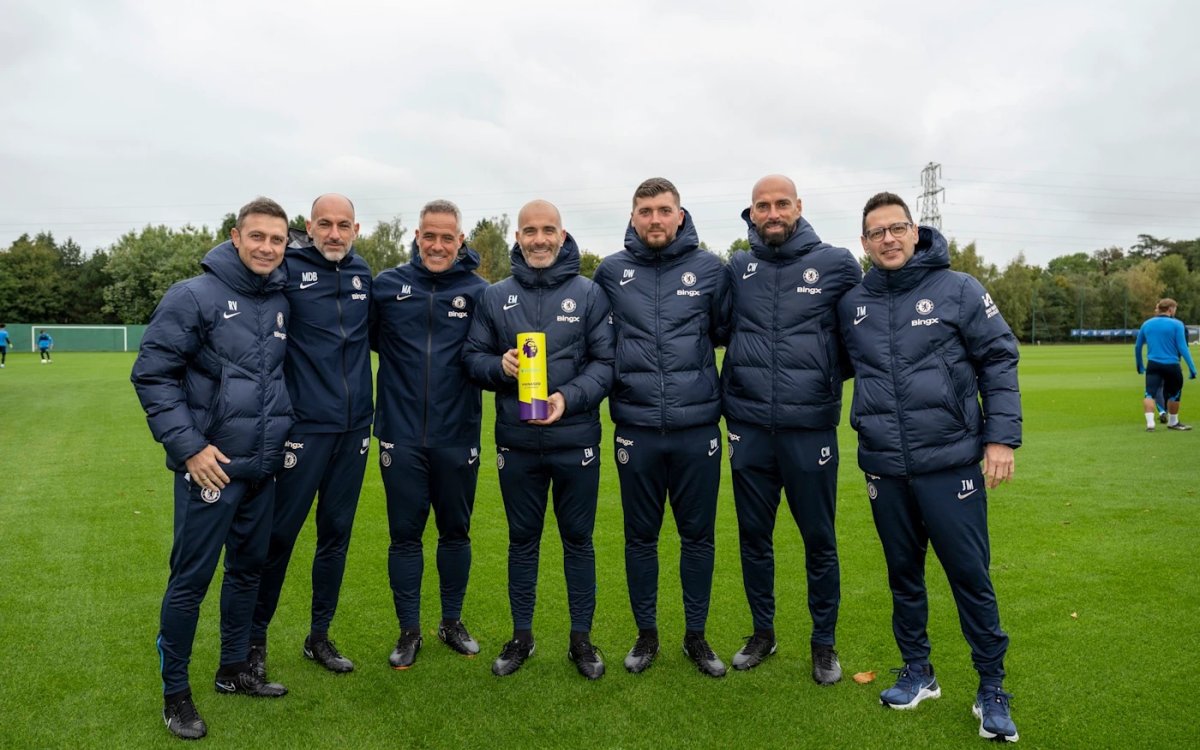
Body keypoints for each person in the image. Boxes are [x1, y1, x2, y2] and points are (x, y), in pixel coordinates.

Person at [837, 192, 1021, 743]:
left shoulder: (959, 288)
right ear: (864, 242)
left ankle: (991, 687)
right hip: (884, 467)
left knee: (970, 577)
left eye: (897, 228)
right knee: (903, 577)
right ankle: (919, 672)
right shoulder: (852, 303)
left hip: (951, 462)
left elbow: (999, 358)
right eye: (876, 232)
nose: (888, 239)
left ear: (915, 232)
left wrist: (1001, 439)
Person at [131, 197, 294, 740]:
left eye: (277, 239)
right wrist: (190, 449)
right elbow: (152, 375)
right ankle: (174, 694)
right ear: (235, 236)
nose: (268, 247)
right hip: (211, 471)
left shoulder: (278, 298)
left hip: (262, 468)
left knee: (248, 572)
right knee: (190, 582)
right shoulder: (192, 295)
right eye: (258, 237)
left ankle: (233, 670)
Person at [463, 200, 614, 679]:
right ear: (518, 236)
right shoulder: (495, 295)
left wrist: (567, 399)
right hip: (517, 441)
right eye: (530, 231)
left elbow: (605, 365)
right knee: (522, 541)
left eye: (548, 230)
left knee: (578, 541)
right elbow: (472, 357)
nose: (540, 239)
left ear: (563, 234)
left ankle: (581, 640)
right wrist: (497, 366)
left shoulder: (589, 293)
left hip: (576, 440)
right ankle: (521, 637)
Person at [720, 175, 862, 682]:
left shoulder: (837, 263)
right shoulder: (738, 266)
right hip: (749, 427)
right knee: (754, 537)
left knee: (819, 539)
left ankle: (823, 644)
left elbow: (857, 338)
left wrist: (820, 379)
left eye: (782, 203)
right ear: (752, 212)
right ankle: (764, 632)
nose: (772, 212)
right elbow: (715, 328)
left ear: (799, 206)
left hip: (809, 429)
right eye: (763, 205)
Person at [593, 178, 730, 677]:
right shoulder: (610, 272)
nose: (655, 219)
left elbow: (724, 332)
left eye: (664, 210)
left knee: (698, 537)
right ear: (633, 217)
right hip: (636, 427)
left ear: (680, 214)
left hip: (698, 429)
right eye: (645, 211)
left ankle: (697, 637)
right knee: (640, 537)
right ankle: (646, 636)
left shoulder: (710, 269)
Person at [249, 194, 373, 679]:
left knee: (335, 536)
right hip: (303, 429)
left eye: (344, 225)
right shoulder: (286, 269)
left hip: (355, 428)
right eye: (326, 224)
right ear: (310, 226)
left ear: (356, 229)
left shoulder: (364, 275)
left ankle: (318, 636)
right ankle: (254, 640)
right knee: (279, 537)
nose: (335, 233)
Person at [371, 199, 489, 669]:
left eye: (447, 237)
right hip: (399, 434)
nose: (437, 245)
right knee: (404, 536)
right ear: (417, 236)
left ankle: (451, 622)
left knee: (455, 532)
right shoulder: (387, 286)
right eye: (429, 235)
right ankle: (409, 631)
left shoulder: (480, 292)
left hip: (457, 434)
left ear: (460, 241)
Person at [1135, 298, 1196, 431]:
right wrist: (1192, 368)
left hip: (1153, 364)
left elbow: (1138, 346)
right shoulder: (1177, 324)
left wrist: (1139, 364)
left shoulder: (1147, 324)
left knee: (1149, 393)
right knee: (1175, 393)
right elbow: (1183, 348)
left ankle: (1150, 423)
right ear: (1170, 309)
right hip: (1172, 365)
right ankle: (1173, 422)